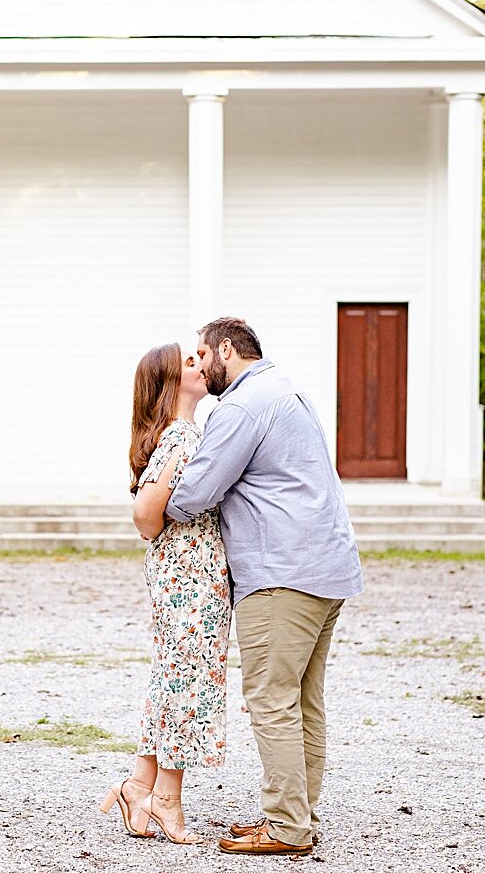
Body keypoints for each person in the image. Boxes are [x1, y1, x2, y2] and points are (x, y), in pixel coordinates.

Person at [157, 317, 363, 857]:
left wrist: (163, 507)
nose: (199, 363)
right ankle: (299, 816)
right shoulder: (289, 391)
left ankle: (285, 826)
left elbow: (195, 492)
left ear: (228, 348)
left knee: (271, 699)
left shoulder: (243, 405)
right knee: (303, 700)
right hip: (327, 568)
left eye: (204, 352)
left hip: (281, 574)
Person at [99, 341, 229, 844]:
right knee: (187, 684)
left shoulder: (182, 435)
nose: (202, 364)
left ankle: (139, 785)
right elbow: (145, 516)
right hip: (189, 581)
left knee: (172, 677)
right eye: (191, 362)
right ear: (173, 382)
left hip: (186, 578)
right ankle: (166, 801)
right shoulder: (180, 440)